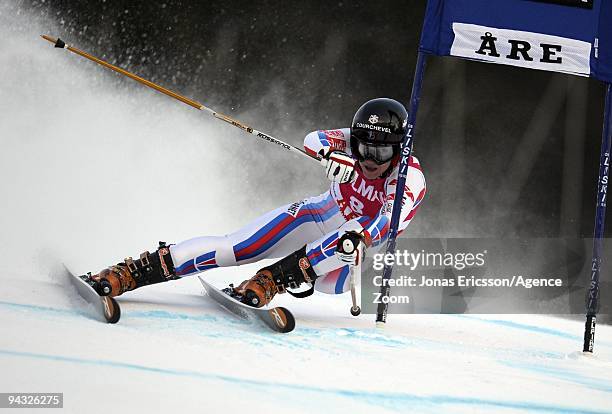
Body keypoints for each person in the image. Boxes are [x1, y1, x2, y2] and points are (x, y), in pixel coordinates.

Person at [89, 98, 426, 308]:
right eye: (363, 148)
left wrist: (363, 234)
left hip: (344, 267)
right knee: (237, 247)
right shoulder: (355, 141)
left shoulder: (408, 178)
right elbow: (314, 140)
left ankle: (271, 280)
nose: (370, 158)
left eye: (381, 152)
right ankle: (132, 272)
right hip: (320, 213)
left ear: (398, 149)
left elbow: (383, 224)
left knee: (353, 234)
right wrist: (332, 154)